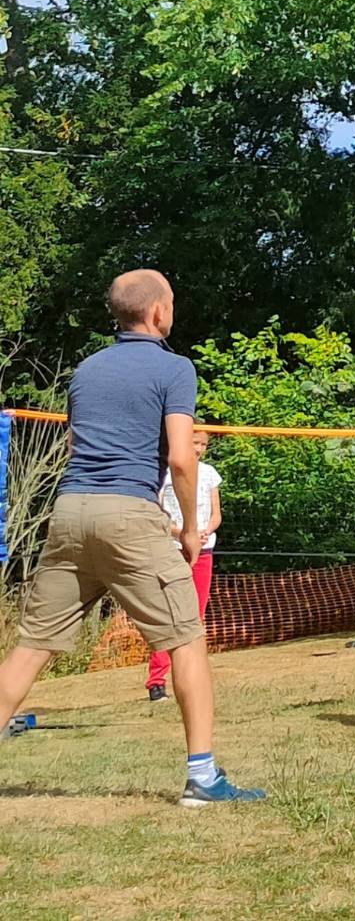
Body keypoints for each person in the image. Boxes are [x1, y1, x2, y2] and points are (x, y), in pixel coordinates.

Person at [0, 270, 265, 805]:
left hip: (70, 511)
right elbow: (180, 456)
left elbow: (75, 444)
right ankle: (203, 778)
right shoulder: (175, 368)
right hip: (130, 515)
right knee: (186, 639)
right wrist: (190, 529)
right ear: (159, 313)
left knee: (31, 648)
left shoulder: (87, 370)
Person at [145, 428, 221, 702]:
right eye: (194, 442)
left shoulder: (209, 473)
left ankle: (194, 678)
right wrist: (181, 533)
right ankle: (157, 680)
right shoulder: (165, 473)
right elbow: (158, 513)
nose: (198, 448)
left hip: (203, 549)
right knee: (167, 615)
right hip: (173, 549)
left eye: (203, 444)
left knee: (196, 616)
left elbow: (216, 514)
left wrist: (203, 532)